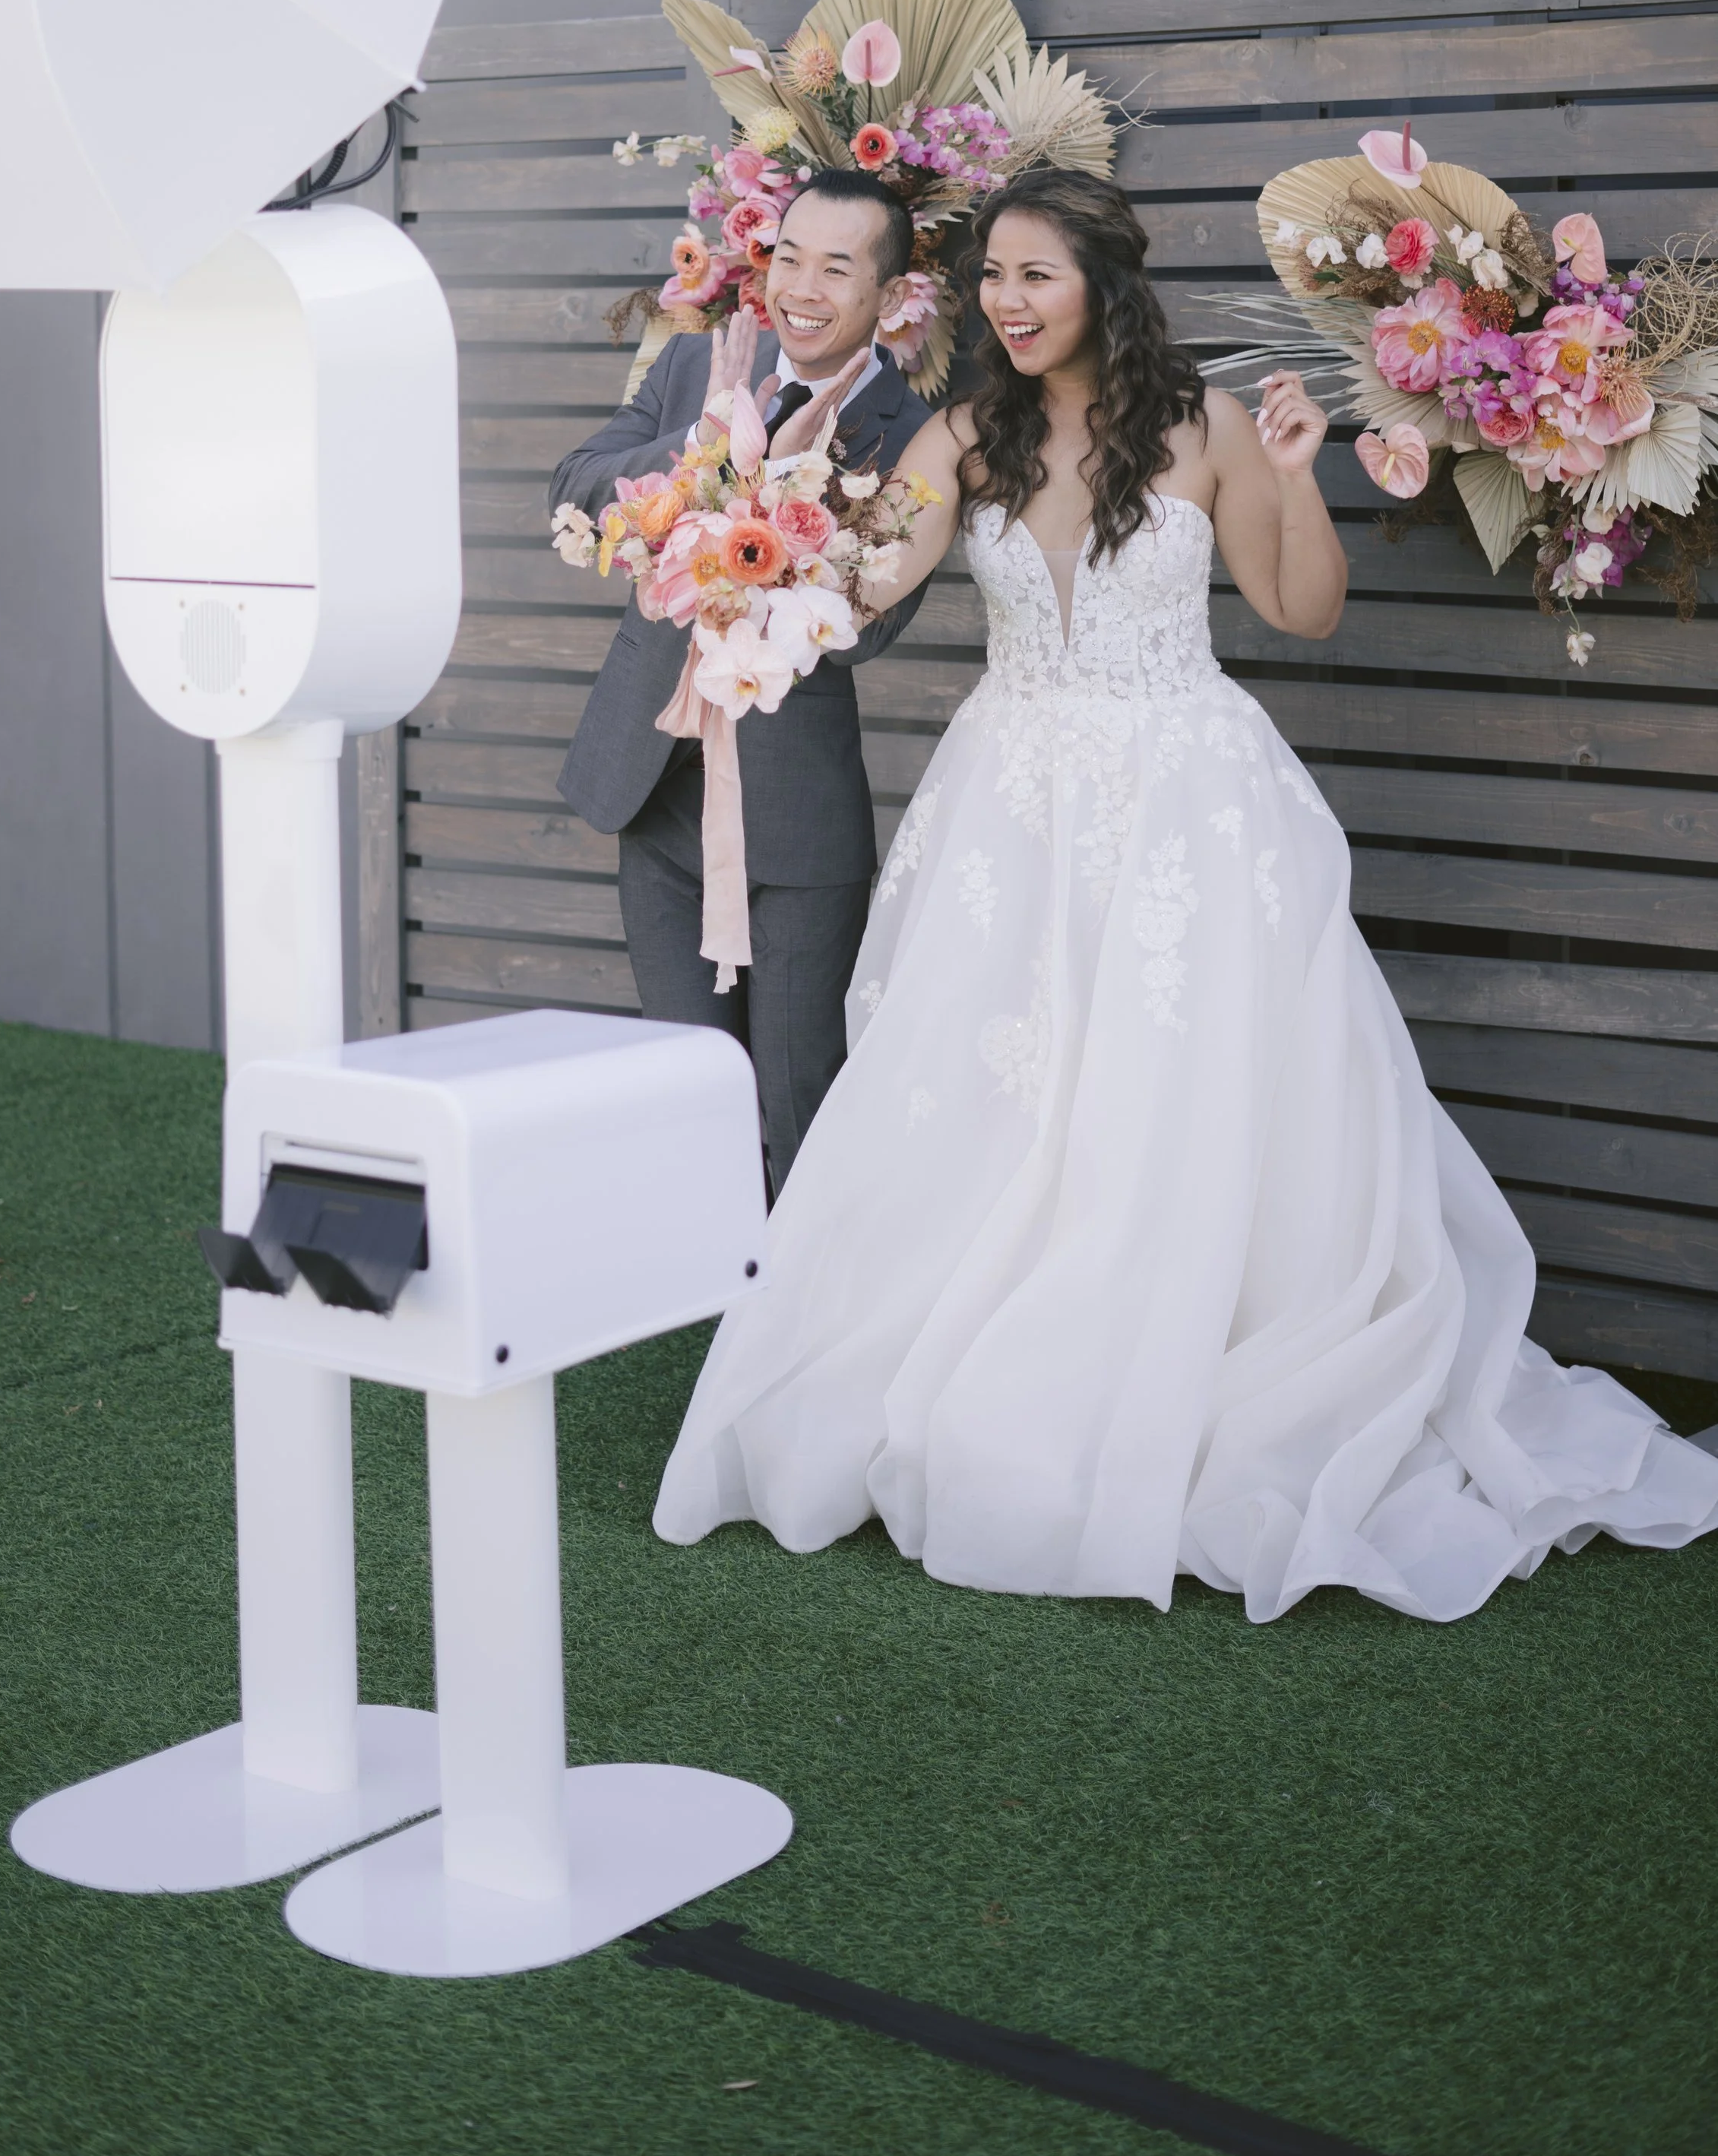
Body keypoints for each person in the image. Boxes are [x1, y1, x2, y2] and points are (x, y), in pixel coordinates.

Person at [654, 167, 1718, 1621]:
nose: (1007, 304)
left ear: (1102, 279)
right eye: (993, 279)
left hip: (1188, 802)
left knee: (1174, 1092)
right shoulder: (967, 431)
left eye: (1036, 276)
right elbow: (867, 575)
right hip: (1012, 804)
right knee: (994, 1090)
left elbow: (1301, 608)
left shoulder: (1208, 424)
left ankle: (1178, 1376)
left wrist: (1293, 471)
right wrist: (749, 560)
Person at [551, 168, 933, 1192]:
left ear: (891, 299)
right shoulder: (695, 363)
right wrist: (702, 453)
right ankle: (721, 1306)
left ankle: (805, 1326)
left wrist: (764, 508)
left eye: (838, 268)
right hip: (657, 785)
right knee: (689, 1090)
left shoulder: (913, 429)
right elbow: (579, 479)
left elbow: (868, 631)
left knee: (799, 1101)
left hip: (795, 820)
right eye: (790, 256)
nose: (802, 287)